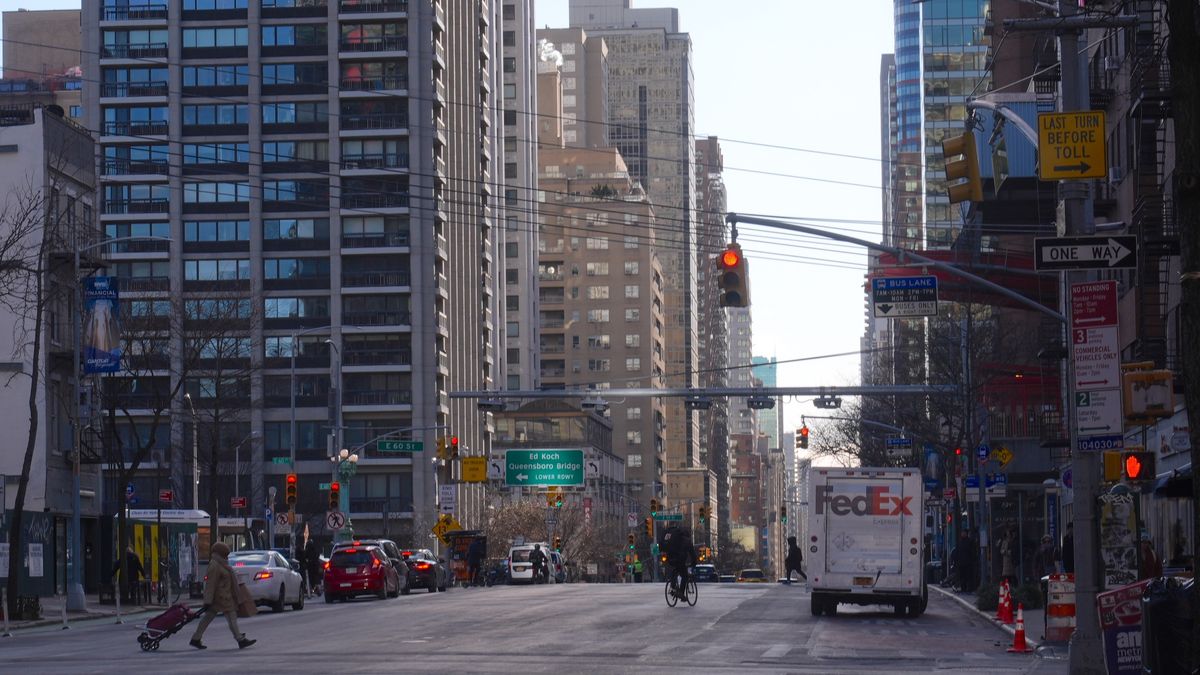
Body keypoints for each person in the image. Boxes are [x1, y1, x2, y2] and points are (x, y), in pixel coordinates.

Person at [190, 542, 255, 650]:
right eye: (225, 553)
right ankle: (240, 639)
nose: (227, 556)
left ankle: (196, 638)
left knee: (208, 618)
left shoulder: (222, 563)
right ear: (220, 553)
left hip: (222, 597)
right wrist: (207, 600)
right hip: (221, 598)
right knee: (231, 617)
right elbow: (211, 583)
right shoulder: (215, 565)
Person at [664, 525, 697, 597]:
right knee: (685, 576)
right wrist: (694, 562)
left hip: (670, 559)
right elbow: (692, 554)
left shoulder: (673, 539)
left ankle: (673, 587)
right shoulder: (688, 541)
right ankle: (681, 593)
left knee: (675, 570)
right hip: (680, 560)